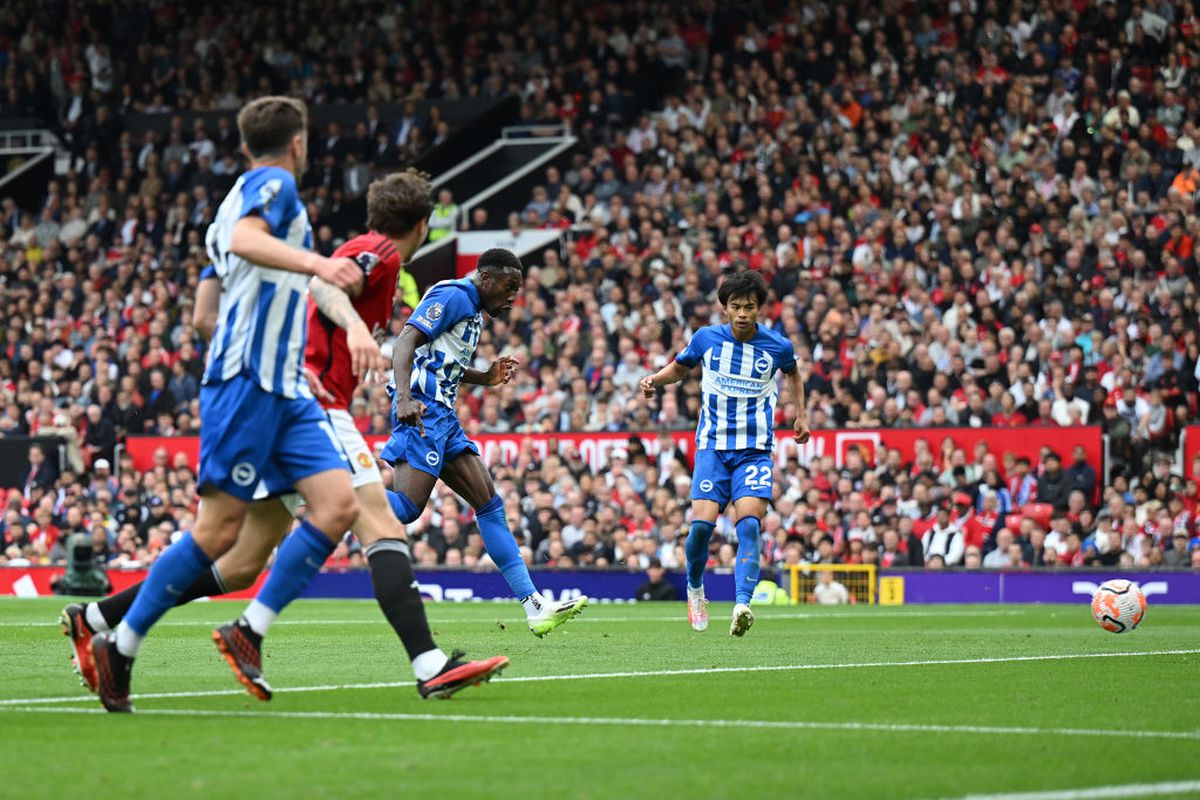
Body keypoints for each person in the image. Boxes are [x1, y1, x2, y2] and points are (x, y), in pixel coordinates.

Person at [64, 172, 507, 704]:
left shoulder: (349, 246)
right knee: (377, 520)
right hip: (313, 407)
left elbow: (216, 315)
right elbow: (324, 286)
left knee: (242, 558)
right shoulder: (381, 252)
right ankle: (423, 662)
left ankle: (99, 617)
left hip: (289, 398)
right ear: (423, 224)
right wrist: (354, 330)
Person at [86, 95, 373, 713]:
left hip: (281, 387)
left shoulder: (225, 206)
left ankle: (248, 631)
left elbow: (201, 316)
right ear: (297, 143)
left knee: (338, 504)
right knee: (215, 532)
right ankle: (121, 643)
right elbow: (248, 240)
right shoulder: (273, 186)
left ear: (246, 143)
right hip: (249, 383)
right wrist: (317, 263)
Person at [384, 247, 589, 635]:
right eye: (509, 287)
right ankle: (326, 494)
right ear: (487, 279)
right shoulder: (453, 296)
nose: (513, 297)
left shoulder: (474, 310)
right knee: (407, 509)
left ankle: (535, 606)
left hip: (444, 416)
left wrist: (486, 377)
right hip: (423, 411)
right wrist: (404, 396)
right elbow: (405, 342)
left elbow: (446, 366)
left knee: (490, 504)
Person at [640, 270, 810, 636]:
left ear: (760, 309)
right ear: (725, 309)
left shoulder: (777, 345)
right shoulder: (706, 338)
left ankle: (742, 603)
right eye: (736, 307)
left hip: (754, 450)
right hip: (713, 448)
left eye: (750, 307)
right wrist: (654, 378)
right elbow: (681, 367)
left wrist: (800, 413)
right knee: (701, 527)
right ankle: (696, 589)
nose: (743, 313)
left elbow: (793, 373)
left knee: (748, 523)